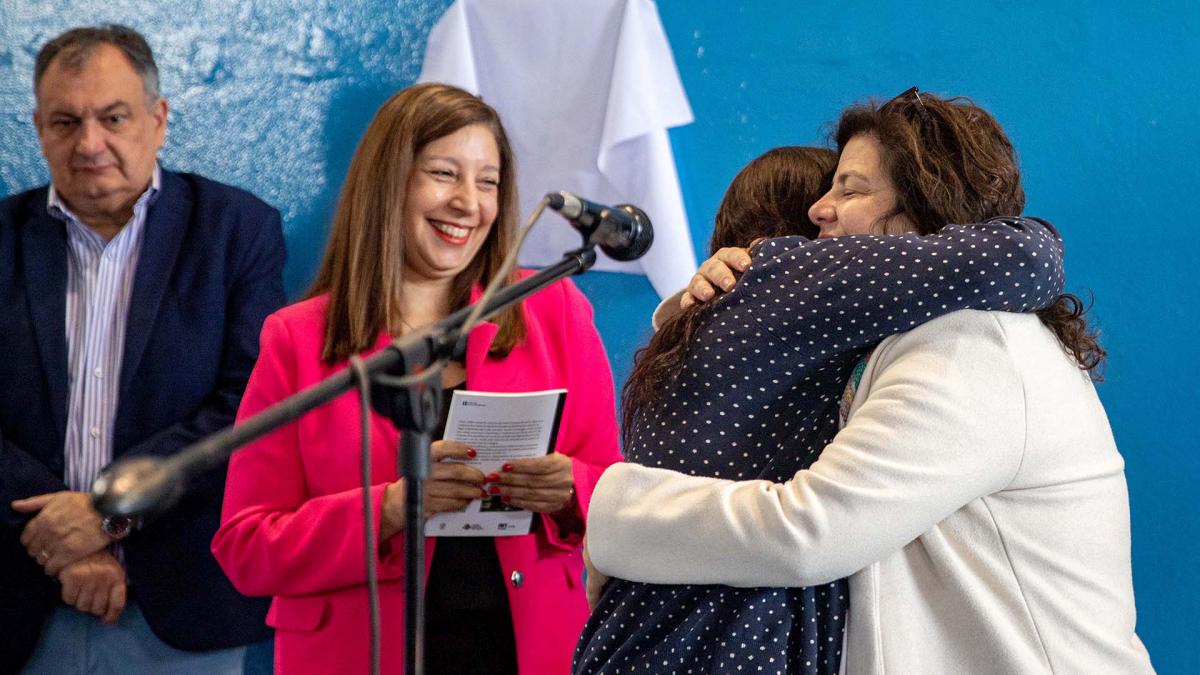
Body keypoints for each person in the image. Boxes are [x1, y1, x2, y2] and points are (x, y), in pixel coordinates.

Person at [582, 90, 1155, 673]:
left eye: (849, 190)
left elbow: (809, 532)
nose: (817, 211)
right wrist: (701, 299)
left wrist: (613, 510)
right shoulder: (908, 335)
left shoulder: (972, 349)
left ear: (927, 208)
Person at [211, 82, 623, 675]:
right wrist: (390, 508)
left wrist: (572, 489)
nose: (468, 201)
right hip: (359, 654)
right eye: (443, 173)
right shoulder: (296, 340)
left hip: (529, 650)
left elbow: (612, 481)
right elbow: (246, 548)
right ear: (390, 183)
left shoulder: (552, 308)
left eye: (488, 181)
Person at [0, 25, 284, 674]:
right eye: (66, 121)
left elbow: (251, 405)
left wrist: (107, 515)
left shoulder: (238, 231)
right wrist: (62, 540)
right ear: (39, 127)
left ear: (158, 120)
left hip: (184, 606)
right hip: (19, 599)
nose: (90, 142)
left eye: (113, 116)